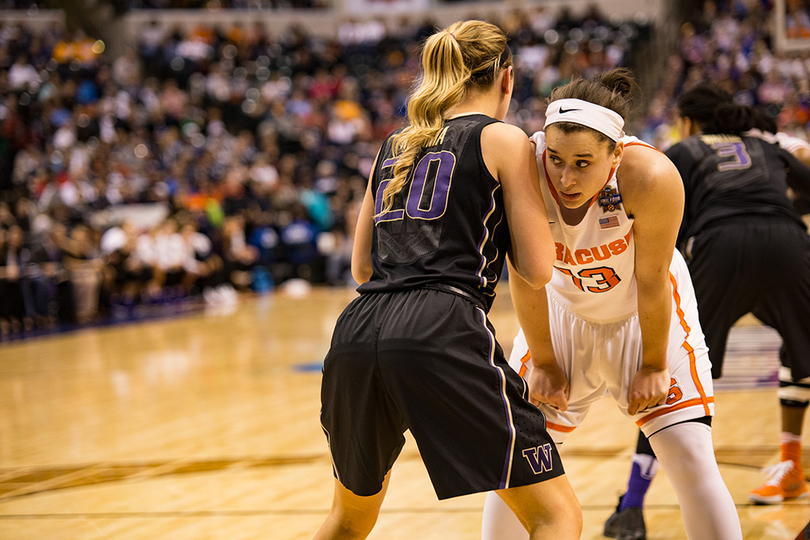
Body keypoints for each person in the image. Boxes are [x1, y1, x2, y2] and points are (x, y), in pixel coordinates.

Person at [314, 20, 582, 540]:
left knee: (347, 520)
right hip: (442, 325)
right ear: (507, 78)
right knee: (556, 516)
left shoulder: (393, 144)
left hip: (356, 331)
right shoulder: (503, 139)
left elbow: (361, 269)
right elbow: (536, 268)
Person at [480, 70, 742, 540]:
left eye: (583, 163)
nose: (564, 176)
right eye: (556, 158)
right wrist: (543, 360)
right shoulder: (524, 169)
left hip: (642, 314)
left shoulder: (652, 176)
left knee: (689, 455)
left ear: (615, 154)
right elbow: (524, 275)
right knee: (517, 465)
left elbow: (652, 281)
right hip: (559, 313)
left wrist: (654, 363)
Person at [602, 84, 810, 540]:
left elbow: (657, 218)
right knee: (805, 358)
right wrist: (780, 210)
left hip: (721, 247)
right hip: (788, 240)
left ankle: (633, 507)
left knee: (677, 374)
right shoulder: (763, 145)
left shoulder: (683, 149)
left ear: (690, 122)